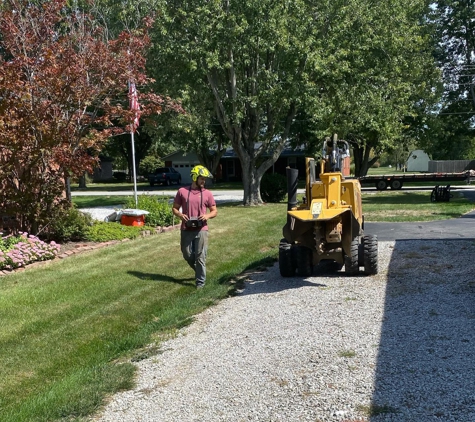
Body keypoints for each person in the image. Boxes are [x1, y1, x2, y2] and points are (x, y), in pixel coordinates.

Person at [172, 165, 218, 288]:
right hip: (186, 229)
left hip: (201, 229)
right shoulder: (182, 191)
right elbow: (175, 209)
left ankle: (200, 283)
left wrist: (207, 216)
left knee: (200, 257)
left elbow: (214, 211)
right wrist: (181, 215)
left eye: (204, 179)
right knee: (187, 254)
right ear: (195, 177)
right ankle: (198, 271)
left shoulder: (207, 193)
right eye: (201, 179)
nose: (204, 181)